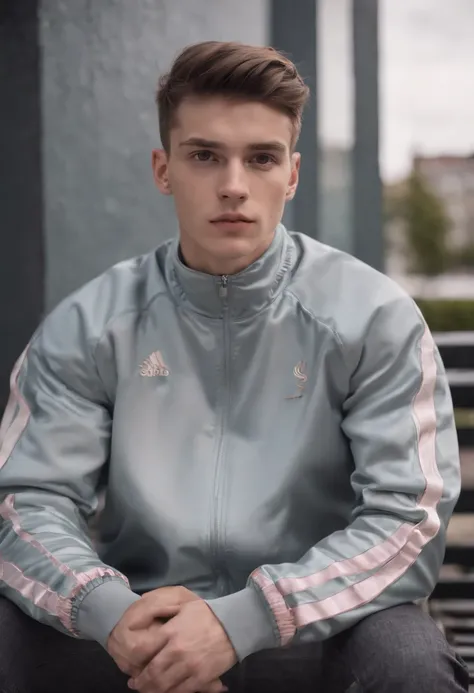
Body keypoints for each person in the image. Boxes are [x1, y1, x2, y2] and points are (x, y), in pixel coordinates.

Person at [0, 40, 468, 693]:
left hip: (317, 630)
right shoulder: (89, 325)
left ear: (293, 174)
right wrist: (106, 608)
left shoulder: (373, 317)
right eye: (204, 156)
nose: (233, 186)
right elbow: (27, 501)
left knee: (408, 661)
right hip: (141, 630)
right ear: (164, 169)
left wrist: (244, 619)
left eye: (262, 158)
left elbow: (408, 517)